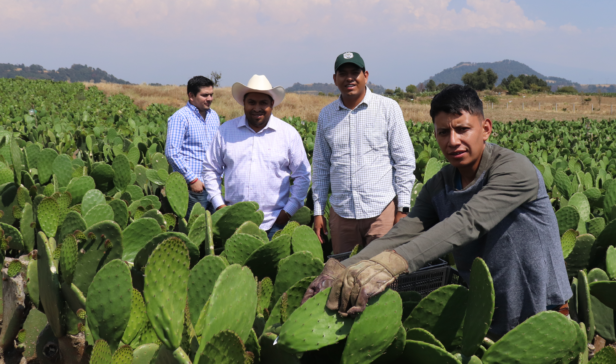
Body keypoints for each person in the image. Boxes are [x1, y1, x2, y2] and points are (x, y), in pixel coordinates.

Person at [303, 84, 571, 337]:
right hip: (485, 308)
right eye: (443, 132)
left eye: (463, 129)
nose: (453, 141)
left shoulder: (513, 170)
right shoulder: (439, 185)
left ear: (486, 128)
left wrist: (390, 265)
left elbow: (467, 222)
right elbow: (401, 234)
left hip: (541, 308)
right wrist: (341, 268)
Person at [311, 52, 416, 254]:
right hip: (342, 214)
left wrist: (402, 209)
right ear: (335, 79)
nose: (349, 78)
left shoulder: (388, 108)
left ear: (365, 75)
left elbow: (404, 161)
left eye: (355, 72)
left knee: (382, 276)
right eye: (343, 73)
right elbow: (321, 167)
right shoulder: (326, 115)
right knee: (345, 277)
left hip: (381, 212)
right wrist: (318, 212)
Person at [202, 74, 311, 239]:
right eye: (252, 102)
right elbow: (210, 169)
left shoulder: (288, 134)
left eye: (263, 103)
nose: (257, 108)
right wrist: (219, 205)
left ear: (272, 104)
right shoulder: (225, 131)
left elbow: (303, 176)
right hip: (233, 222)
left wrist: (287, 212)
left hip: (275, 223)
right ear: (243, 103)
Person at [166, 76, 221, 218]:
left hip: (214, 184)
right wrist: (192, 180)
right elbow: (172, 152)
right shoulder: (181, 117)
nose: (209, 98)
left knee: (213, 229)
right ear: (191, 96)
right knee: (194, 229)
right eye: (204, 95)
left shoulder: (213, 116)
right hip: (194, 187)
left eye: (211, 94)